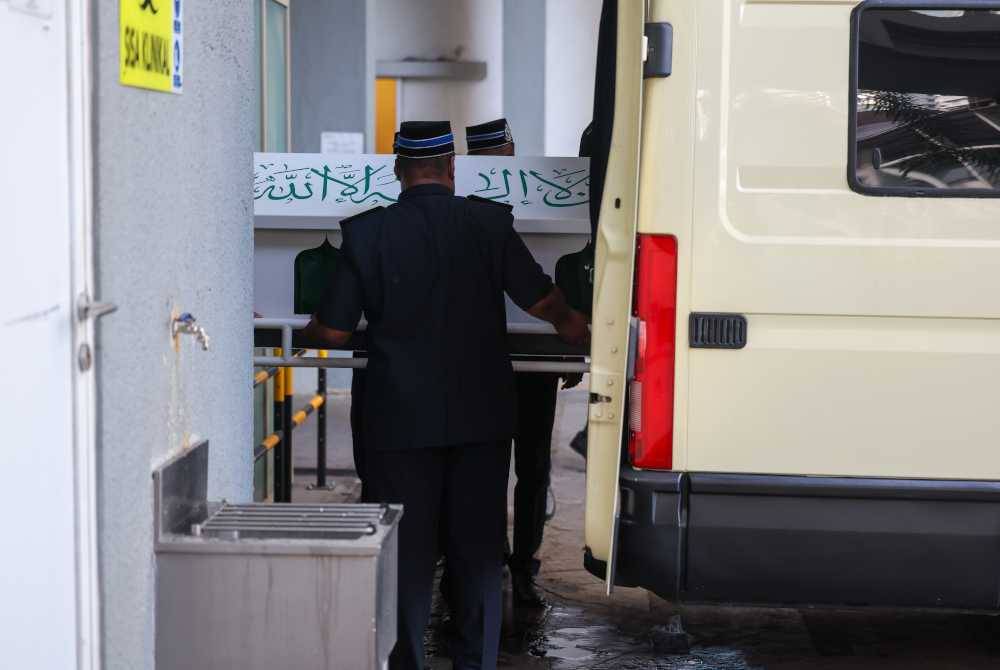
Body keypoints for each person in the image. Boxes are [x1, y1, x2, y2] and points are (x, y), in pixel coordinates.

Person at [303, 120, 589, 670]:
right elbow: (542, 301)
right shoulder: (487, 224)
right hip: (480, 418)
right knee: (477, 554)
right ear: (453, 167)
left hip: (398, 422)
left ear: (397, 170)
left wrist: (307, 329)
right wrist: (575, 326)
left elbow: (333, 332)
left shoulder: (367, 233)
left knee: (407, 558)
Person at [465, 118, 567, 607]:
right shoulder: (538, 193)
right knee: (523, 466)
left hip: (494, 355)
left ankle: (508, 561)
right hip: (522, 352)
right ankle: (515, 563)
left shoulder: (470, 202)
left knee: (509, 466)